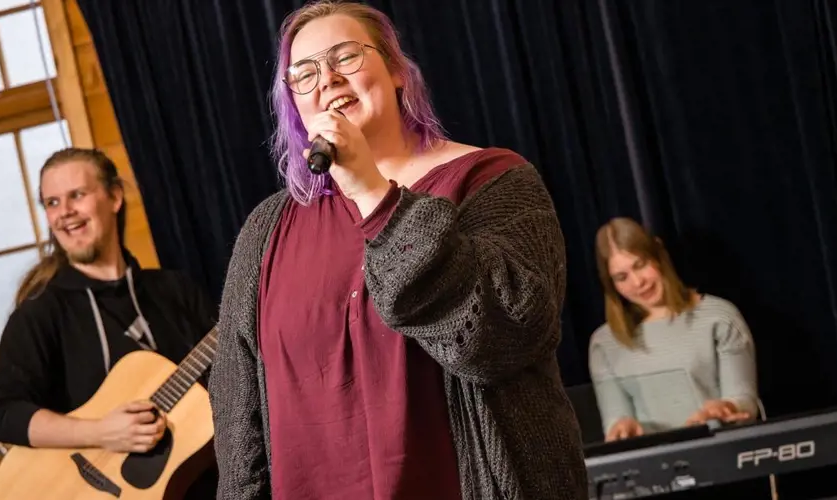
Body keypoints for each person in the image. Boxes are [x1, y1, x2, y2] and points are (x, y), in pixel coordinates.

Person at [208, 2, 587, 499]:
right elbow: (238, 409)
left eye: (345, 57)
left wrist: (374, 195)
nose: (327, 80)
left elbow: (498, 340)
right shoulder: (267, 228)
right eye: (303, 73)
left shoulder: (491, 180)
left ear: (396, 71)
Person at [0, 147, 218, 498]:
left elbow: (234, 374)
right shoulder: (42, 312)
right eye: (52, 202)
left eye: (77, 195)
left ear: (114, 197)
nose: (64, 213)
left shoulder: (174, 291)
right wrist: (100, 432)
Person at [588, 217, 759, 441]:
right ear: (611, 285)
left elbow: (745, 400)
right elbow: (616, 420)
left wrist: (726, 408)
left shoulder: (719, 317)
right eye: (622, 277)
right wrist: (622, 426)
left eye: (640, 265)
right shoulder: (605, 342)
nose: (638, 282)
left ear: (658, 256)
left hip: (720, 453)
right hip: (654, 469)